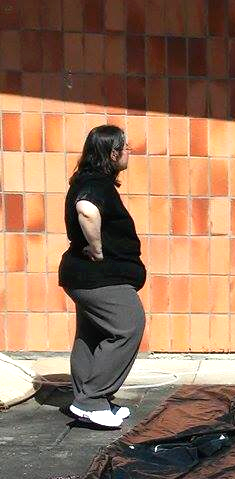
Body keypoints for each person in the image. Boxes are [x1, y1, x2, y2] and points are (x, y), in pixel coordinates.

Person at [58, 125, 146, 429]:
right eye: (125, 146)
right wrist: (96, 249)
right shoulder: (95, 184)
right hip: (98, 276)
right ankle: (91, 400)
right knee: (129, 325)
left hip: (84, 276)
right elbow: (86, 211)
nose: (129, 151)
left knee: (92, 334)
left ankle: (86, 399)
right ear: (112, 152)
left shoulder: (90, 180)